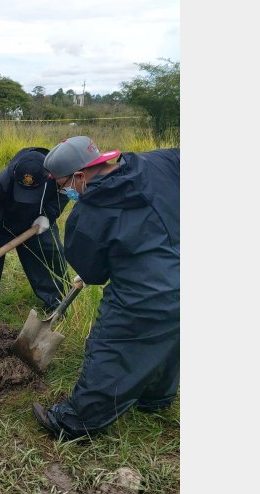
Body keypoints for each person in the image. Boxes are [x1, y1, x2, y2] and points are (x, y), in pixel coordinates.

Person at [31, 135, 180, 440]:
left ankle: (75, 422)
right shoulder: (158, 162)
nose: (66, 192)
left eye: (64, 185)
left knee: (111, 346)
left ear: (80, 176)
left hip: (147, 293)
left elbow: (94, 273)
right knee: (169, 333)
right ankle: (155, 397)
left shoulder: (87, 216)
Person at [0, 147, 69, 317]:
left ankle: (59, 305)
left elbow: (65, 192)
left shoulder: (57, 174)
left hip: (37, 221)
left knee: (50, 255)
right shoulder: (1, 184)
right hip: (3, 222)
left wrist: (48, 215)